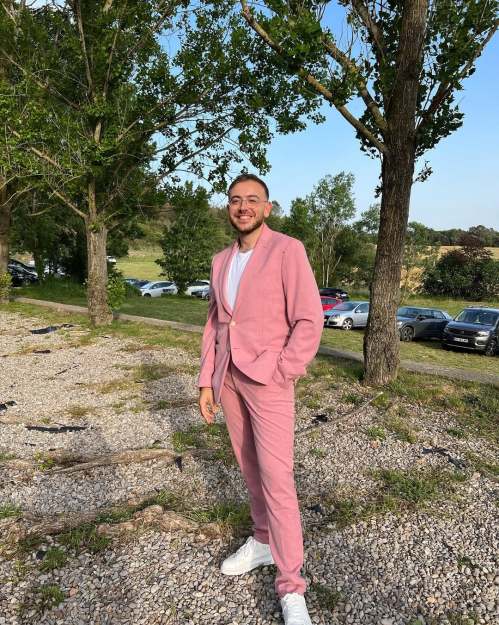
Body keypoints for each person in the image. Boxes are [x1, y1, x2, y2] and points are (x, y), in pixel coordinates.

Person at [198, 173, 323, 625]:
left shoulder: (288, 250)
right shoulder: (220, 260)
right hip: (228, 377)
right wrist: (207, 381)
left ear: (267, 208)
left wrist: (283, 370)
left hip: (269, 379)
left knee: (277, 478)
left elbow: (309, 318)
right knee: (249, 466)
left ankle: (291, 585)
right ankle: (262, 539)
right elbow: (216, 322)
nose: (243, 207)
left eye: (253, 199)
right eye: (236, 200)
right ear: (228, 207)